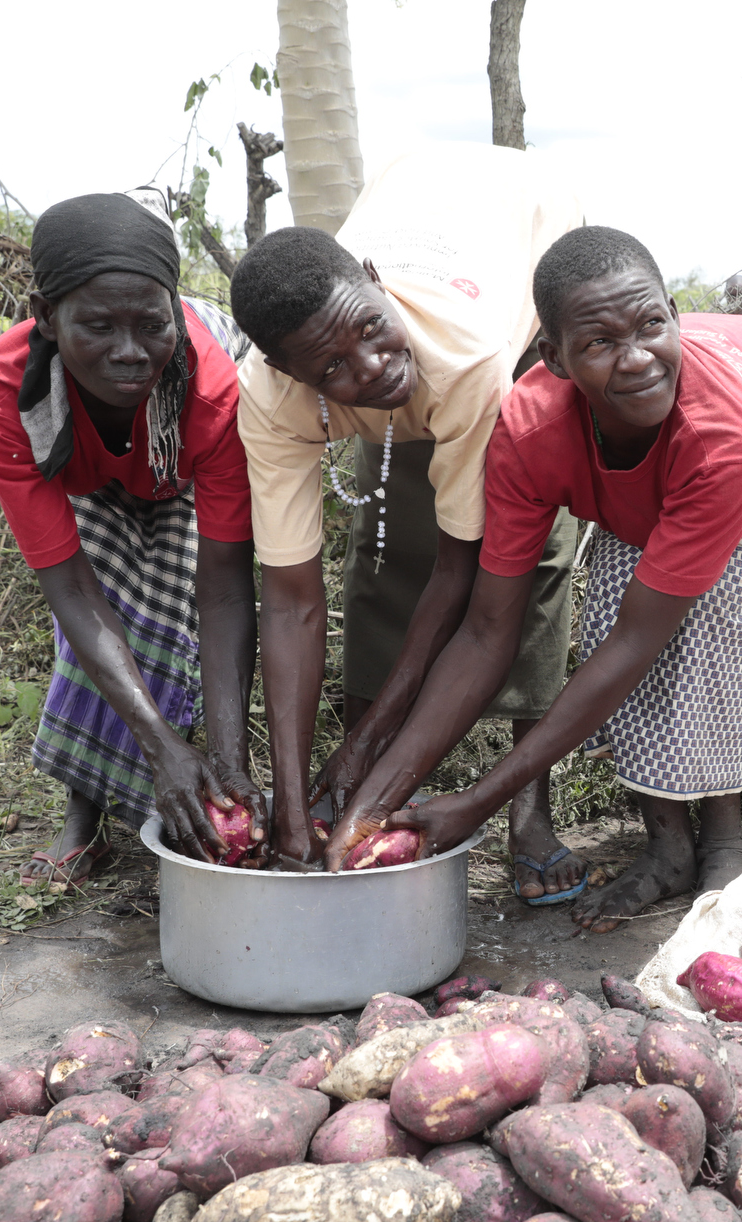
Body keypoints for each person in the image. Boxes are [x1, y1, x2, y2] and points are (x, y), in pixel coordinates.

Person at [322, 226, 742, 933]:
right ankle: (668, 847)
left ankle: (724, 844)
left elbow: (636, 646)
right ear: (554, 359)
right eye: (599, 344)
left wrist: (477, 799)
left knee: (724, 622)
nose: (637, 360)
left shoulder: (723, 432)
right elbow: (485, 628)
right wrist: (378, 801)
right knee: (617, 600)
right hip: (681, 471)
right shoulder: (531, 434)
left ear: (675, 316)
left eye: (652, 326)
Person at [229, 143, 586, 898]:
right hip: (413, 206)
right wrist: (289, 803)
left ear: (373, 279)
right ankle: (336, 797)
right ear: (286, 372)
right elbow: (290, 598)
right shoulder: (266, 397)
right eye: (329, 368)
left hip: (520, 230)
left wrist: (370, 758)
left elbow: (463, 573)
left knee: (527, 560)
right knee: (385, 544)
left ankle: (530, 811)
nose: (368, 369)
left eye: (367, 327)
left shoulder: (468, 353)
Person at [0, 193, 260, 882]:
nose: (129, 353)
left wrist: (228, 759)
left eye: (151, 325)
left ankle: (207, 793)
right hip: (83, 471)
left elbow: (222, 593)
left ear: (172, 315)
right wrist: (159, 747)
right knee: (103, 607)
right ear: (46, 316)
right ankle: (84, 816)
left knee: (172, 601)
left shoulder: (213, 386)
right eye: (97, 326)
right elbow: (67, 584)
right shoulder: (4, 395)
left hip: (184, 456)